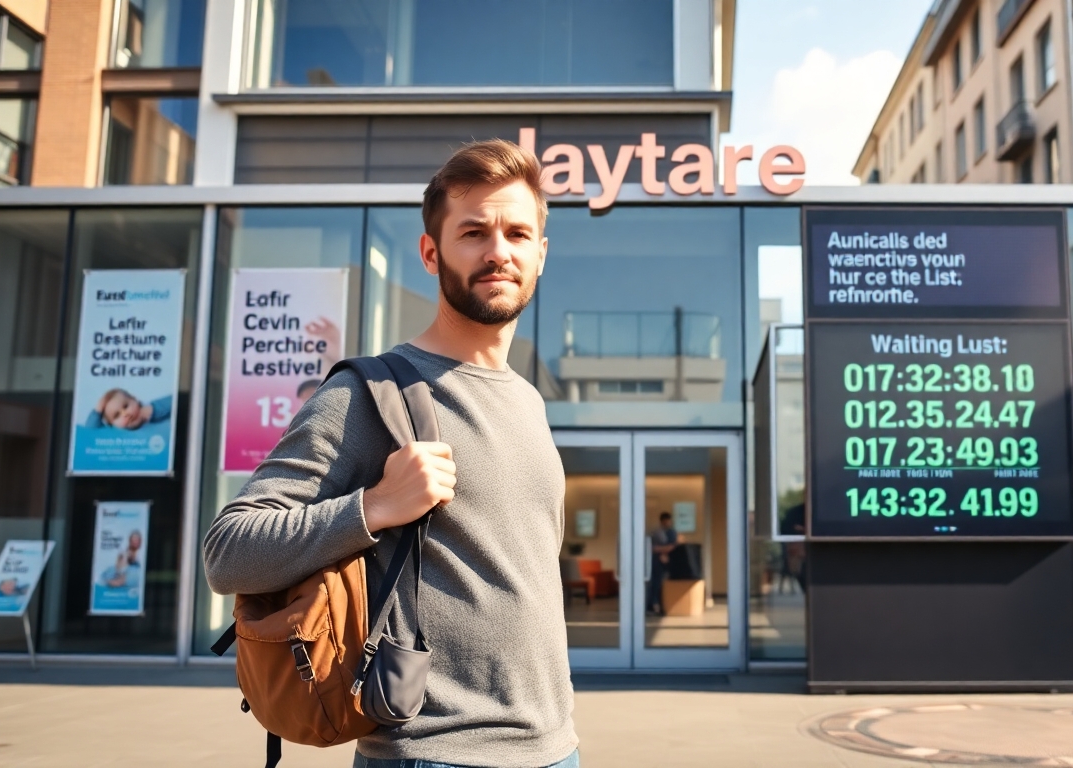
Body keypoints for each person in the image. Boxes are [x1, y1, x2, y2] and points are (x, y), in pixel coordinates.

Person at [203, 140, 578, 768]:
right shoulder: (371, 393)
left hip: (554, 748)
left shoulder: (529, 401)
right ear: (431, 253)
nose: (498, 251)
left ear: (540, 253)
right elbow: (227, 552)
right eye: (473, 233)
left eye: (517, 233)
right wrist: (373, 507)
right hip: (431, 752)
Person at [86, 389, 171, 430]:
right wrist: (98, 410)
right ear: (111, 425)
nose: (125, 414)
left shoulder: (154, 408)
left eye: (126, 406)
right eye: (117, 415)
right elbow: (90, 433)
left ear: (134, 399)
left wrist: (153, 410)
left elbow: (174, 403)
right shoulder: (115, 432)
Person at [648, 512, 678, 615]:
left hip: (667, 562)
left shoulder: (672, 532)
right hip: (656, 562)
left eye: (668, 521)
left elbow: (672, 547)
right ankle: (654, 605)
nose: (667, 523)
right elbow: (652, 548)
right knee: (655, 584)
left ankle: (662, 605)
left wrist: (660, 550)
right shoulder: (656, 532)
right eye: (665, 522)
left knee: (663, 584)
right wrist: (663, 550)